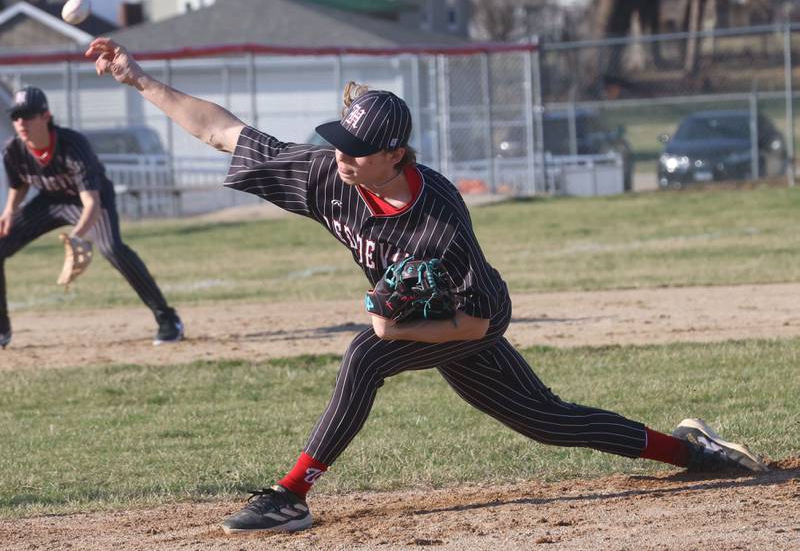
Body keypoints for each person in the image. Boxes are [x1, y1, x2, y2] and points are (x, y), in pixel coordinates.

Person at [86, 38, 768, 534]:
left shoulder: (438, 221)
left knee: (366, 353)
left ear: (396, 156)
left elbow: (472, 324)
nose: (342, 157)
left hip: (474, 314)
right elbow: (223, 133)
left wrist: (394, 330)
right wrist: (139, 79)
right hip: (432, 317)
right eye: (339, 143)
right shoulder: (331, 173)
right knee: (546, 420)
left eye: (357, 149)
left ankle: (290, 494)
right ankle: (691, 450)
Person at [1, 86, 184, 347]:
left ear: (45, 116)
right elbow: (19, 184)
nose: (21, 122)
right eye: (16, 116)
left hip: (90, 200)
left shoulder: (72, 145)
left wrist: (78, 237)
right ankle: (1, 331)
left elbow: (91, 202)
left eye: (28, 115)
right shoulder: (13, 150)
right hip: (51, 202)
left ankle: (168, 319)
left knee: (112, 248)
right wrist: (9, 211)